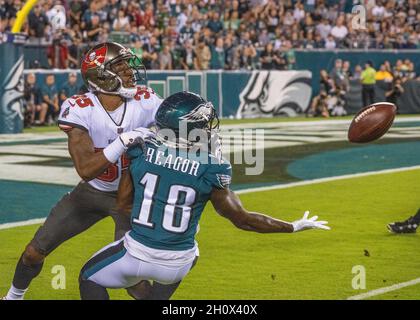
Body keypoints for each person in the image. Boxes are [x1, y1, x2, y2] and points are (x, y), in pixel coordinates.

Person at [78, 91, 330, 300]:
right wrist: (292, 227)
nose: (207, 129)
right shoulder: (212, 166)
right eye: (202, 124)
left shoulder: (141, 151)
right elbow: (242, 219)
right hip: (178, 263)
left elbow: (123, 205)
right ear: (187, 128)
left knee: (88, 277)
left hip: (136, 253)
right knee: (191, 251)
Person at [3, 42, 163, 301]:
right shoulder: (80, 107)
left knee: (133, 277)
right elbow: (86, 169)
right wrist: (125, 140)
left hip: (131, 197)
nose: (130, 71)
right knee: (34, 252)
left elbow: (178, 125)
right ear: (100, 76)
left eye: (127, 64)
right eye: (120, 66)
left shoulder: (146, 100)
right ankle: (12, 297)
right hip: (92, 193)